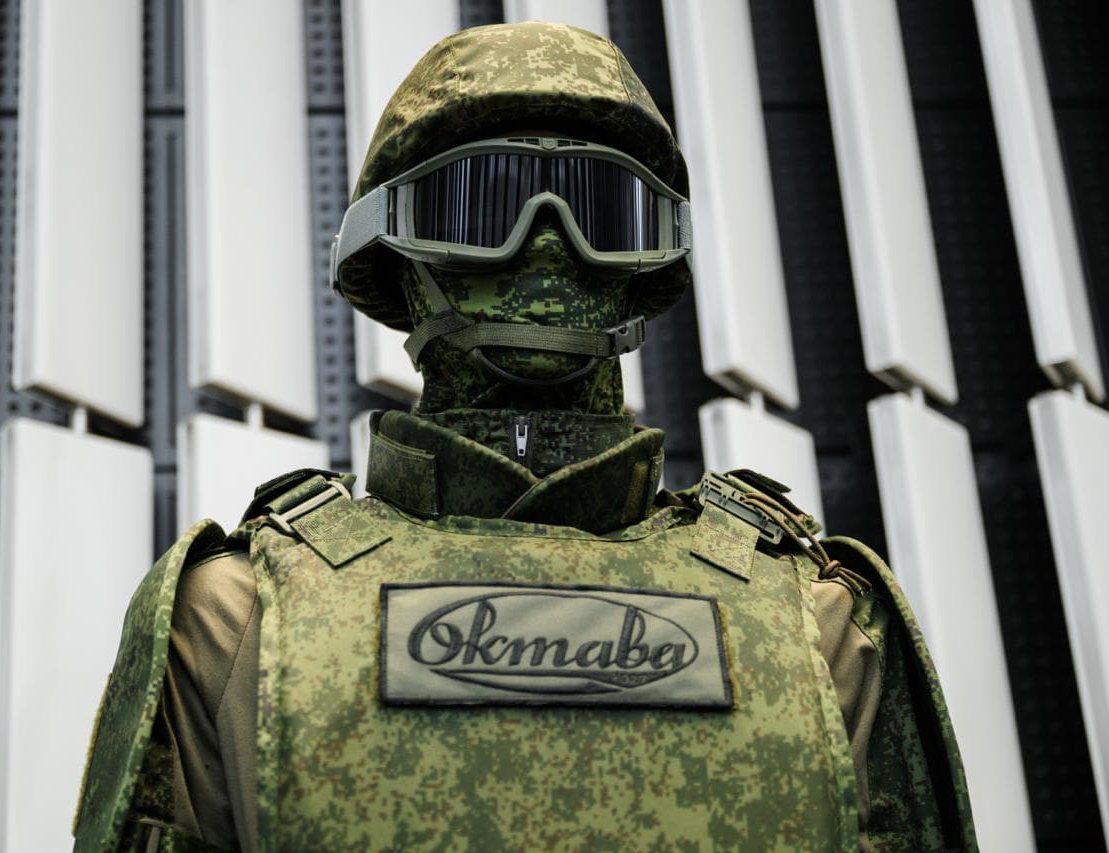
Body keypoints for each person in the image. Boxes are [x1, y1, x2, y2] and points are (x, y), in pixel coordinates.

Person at [73, 21, 975, 852]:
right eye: (480, 206)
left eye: (602, 212)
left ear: (648, 263)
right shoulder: (232, 615)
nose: (547, 246)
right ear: (398, 256)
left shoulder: (820, 619)